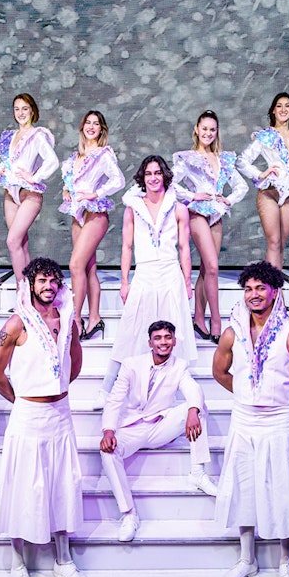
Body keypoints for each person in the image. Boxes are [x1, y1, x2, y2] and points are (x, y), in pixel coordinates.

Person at [212, 261, 289, 577]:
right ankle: (247, 559)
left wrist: (284, 397)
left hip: (278, 422)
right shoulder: (232, 331)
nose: (254, 295)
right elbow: (219, 371)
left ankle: (286, 562)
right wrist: (248, 396)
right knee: (243, 487)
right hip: (244, 420)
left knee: (282, 491)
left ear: (275, 291)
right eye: (248, 289)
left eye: (261, 288)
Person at [0, 257, 89, 577]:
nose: (48, 286)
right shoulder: (16, 324)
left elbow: (74, 361)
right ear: (30, 284)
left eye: (53, 281)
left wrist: (57, 390)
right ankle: (19, 564)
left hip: (61, 415)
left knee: (63, 482)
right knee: (23, 488)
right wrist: (23, 401)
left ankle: (63, 560)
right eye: (42, 281)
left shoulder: (66, 318)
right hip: (28, 417)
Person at [100, 320, 217, 543]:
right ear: (150, 342)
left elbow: (192, 388)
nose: (163, 342)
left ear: (174, 341)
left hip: (158, 427)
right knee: (107, 452)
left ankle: (197, 473)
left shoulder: (179, 365)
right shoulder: (131, 364)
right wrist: (108, 430)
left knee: (198, 406)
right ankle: (129, 514)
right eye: (158, 338)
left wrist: (192, 409)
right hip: (131, 428)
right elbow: (115, 399)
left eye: (167, 337)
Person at [94, 155, 196, 410]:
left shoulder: (178, 208)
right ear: (143, 177)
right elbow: (127, 246)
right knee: (130, 330)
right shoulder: (133, 208)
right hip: (145, 272)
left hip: (170, 272)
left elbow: (184, 248)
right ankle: (107, 390)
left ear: (164, 176)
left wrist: (187, 281)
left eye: (158, 173)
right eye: (149, 173)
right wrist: (124, 281)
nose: (153, 178)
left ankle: (181, 393)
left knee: (176, 331)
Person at [172, 109, 249, 343]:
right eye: (204, 129)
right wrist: (193, 195)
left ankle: (197, 318)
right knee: (213, 267)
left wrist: (229, 199)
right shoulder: (188, 158)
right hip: (197, 214)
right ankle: (216, 321)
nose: (208, 133)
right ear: (196, 129)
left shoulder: (223, 159)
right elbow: (171, 184)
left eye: (212, 130)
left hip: (216, 214)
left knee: (207, 269)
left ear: (217, 132)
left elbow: (241, 186)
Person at [58, 110, 126, 341]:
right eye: (88, 122)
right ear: (82, 126)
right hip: (77, 213)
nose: (91, 126)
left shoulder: (103, 154)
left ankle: (75, 321)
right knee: (88, 268)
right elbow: (71, 183)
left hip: (95, 213)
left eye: (96, 124)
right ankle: (94, 318)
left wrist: (96, 193)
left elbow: (118, 180)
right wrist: (67, 190)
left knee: (75, 264)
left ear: (101, 129)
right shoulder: (74, 157)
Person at [236, 92, 289, 268]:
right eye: (279, 105)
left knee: (280, 245)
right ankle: (272, 291)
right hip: (269, 192)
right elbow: (242, 161)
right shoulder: (266, 136)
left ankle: (276, 287)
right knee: (273, 242)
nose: (283, 109)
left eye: (287, 105)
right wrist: (260, 174)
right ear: (273, 111)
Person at [0, 93, 60, 283]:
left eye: (25, 109)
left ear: (32, 111)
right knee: (20, 244)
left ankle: (23, 294)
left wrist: (34, 177)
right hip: (10, 192)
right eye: (17, 109)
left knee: (12, 241)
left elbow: (52, 161)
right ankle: (28, 295)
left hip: (29, 193)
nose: (20, 113)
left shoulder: (37, 135)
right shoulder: (10, 136)